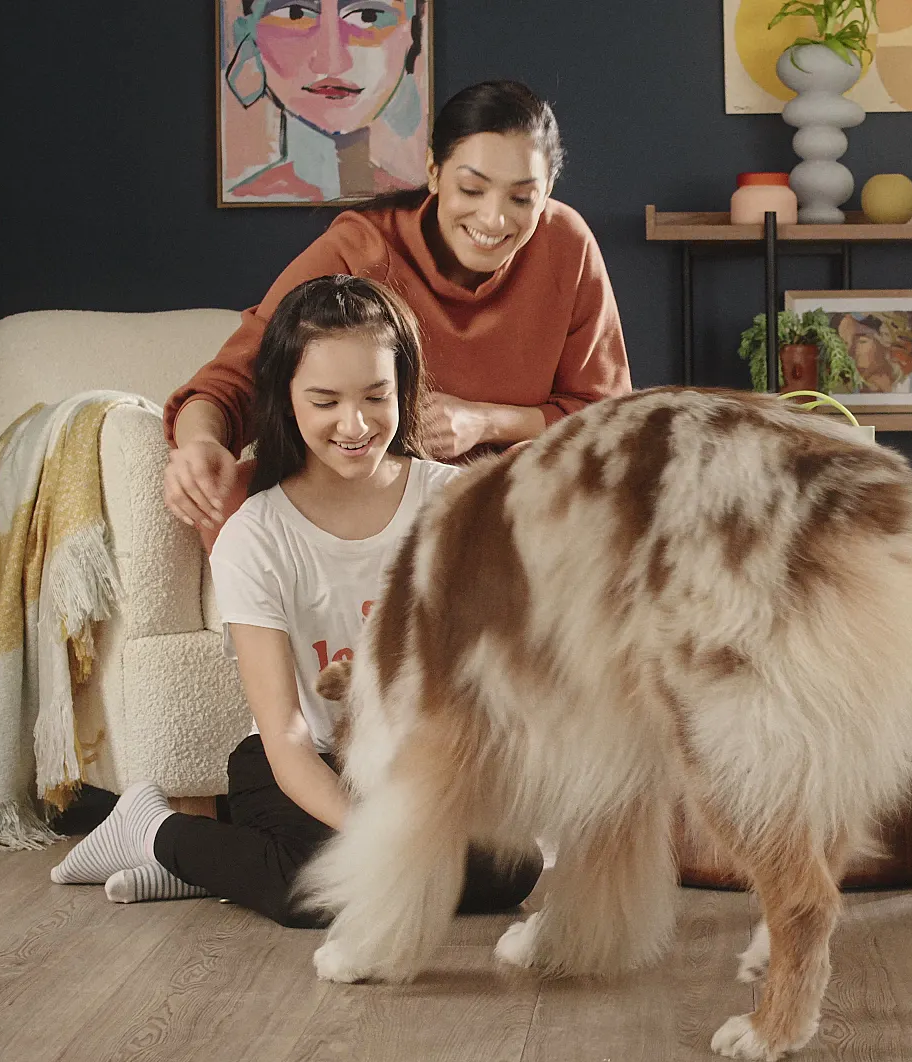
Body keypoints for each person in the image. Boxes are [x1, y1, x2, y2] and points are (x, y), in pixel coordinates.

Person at [51, 275, 540, 925]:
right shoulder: (257, 534)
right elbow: (283, 736)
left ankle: (209, 867)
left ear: (405, 391)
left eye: (376, 395)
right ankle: (152, 831)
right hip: (302, 763)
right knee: (310, 893)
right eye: (325, 401)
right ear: (286, 400)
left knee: (513, 869)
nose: (355, 423)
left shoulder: (454, 503)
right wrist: (378, 830)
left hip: (416, 764)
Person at [168, 79, 632, 546]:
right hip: (367, 488)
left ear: (547, 189)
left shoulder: (566, 245)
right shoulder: (361, 250)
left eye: (521, 198)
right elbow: (232, 383)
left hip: (509, 501)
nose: (494, 220)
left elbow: (608, 416)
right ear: (434, 172)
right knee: (233, 505)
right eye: (472, 189)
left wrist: (483, 421)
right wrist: (202, 444)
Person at [221, 0, 430, 201]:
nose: (331, 62)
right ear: (250, 35)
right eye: (295, 14)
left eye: (369, 16)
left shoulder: (412, 207)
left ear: (412, 34)